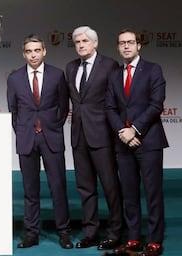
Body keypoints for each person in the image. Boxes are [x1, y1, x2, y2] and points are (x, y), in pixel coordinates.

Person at [7, 34, 73, 249]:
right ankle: (31, 233)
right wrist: (25, 131)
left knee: (58, 187)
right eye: (29, 51)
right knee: (30, 189)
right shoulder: (14, 77)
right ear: (23, 54)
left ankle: (64, 232)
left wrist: (51, 127)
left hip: (51, 138)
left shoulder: (57, 75)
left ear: (44, 51)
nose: (33, 55)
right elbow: (13, 111)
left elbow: (63, 107)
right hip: (26, 140)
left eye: (37, 50)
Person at [105, 28, 168, 256]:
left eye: (130, 42)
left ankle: (154, 240)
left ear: (139, 45)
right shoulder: (114, 75)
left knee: (153, 192)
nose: (126, 46)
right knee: (129, 193)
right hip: (123, 142)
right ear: (118, 47)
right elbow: (110, 107)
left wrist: (135, 130)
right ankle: (133, 239)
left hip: (149, 141)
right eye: (122, 43)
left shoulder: (153, 70)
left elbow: (156, 104)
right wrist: (123, 132)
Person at [65, 26, 123, 250]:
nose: (81, 45)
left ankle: (115, 232)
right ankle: (90, 232)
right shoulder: (70, 67)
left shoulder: (109, 65)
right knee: (85, 188)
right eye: (77, 41)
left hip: (103, 136)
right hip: (78, 137)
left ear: (95, 43)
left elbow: (116, 101)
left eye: (85, 41)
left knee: (110, 186)